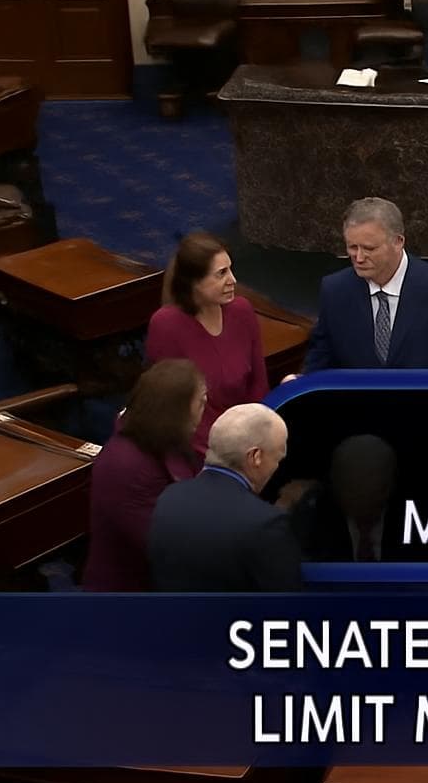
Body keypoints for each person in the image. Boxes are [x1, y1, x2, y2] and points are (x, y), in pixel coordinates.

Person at [147, 403, 303, 592]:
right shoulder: (267, 524)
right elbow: (284, 608)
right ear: (256, 457)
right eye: (277, 459)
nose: (277, 468)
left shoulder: (168, 499)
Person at [82, 360, 205, 592]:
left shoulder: (163, 439)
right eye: (200, 401)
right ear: (176, 410)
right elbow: (166, 545)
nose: (204, 407)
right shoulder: (127, 466)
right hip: (127, 598)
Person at [145, 232, 267, 459]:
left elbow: (258, 384)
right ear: (194, 283)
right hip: (196, 450)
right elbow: (173, 407)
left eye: (230, 269)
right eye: (221, 274)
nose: (233, 280)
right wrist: (225, 455)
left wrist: (256, 438)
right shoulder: (166, 325)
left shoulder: (242, 311)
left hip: (247, 440)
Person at [304, 198, 428, 371]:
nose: (359, 258)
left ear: (398, 242)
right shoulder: (335, 289)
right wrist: (300, 382)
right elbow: (321, 355)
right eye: (352, 247)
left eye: (369, 249)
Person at [289, 435, 400, 563]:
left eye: (373, 481)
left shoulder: (414, 520)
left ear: (390, 484)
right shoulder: (311, 519)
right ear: (335, 484)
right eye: (353, 486)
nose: (364, 496)